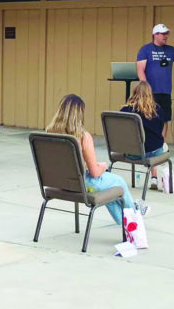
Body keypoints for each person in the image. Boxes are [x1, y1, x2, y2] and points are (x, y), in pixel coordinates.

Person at [46, 94, 145, 222]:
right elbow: (95, 172)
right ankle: (134, 217)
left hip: (59, 182)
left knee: (110, 189)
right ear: (79, 114)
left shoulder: (49, 133)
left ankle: (126, 221)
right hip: (82, 184)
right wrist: (103, 166)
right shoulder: (83, 137)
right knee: (118, 181)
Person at [119, 81, 170, 192]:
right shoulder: (157, 110)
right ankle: (155, 178)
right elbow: (159, 132)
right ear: (150, 94)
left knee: (148, 145)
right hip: (152, 152)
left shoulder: (124, 111)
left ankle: (154, 178)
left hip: (131, 152)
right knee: (160, 146)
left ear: (133, 93)